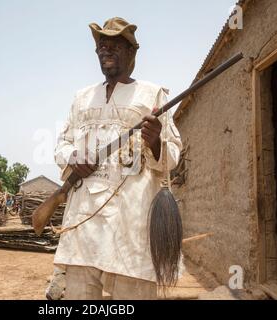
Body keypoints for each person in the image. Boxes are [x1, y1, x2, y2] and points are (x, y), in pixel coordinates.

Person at [53, 17, 183, 300]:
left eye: (114, 46)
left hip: (131, 225)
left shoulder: (153, 94)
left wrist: (156, 142)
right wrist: (73, 157)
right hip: (83, 224)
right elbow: (61, 144)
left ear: (131, 53)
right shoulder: (82, 97)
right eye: (101, 46)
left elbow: (173, 154)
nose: (105, 51)